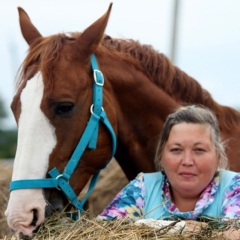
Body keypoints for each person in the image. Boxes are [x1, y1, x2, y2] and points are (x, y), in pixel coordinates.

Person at [98, 105, 240, 234]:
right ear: (161, 157)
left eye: (199, 150)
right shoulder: (143, 188)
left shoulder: (234, 187)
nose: (187, 161)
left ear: (218, 158)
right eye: (176, 150)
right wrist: (185, 229)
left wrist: (148, 228)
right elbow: (101, 232)